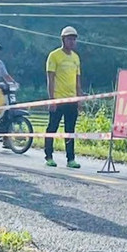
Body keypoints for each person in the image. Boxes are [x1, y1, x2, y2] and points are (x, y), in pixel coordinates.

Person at [44, 26, 82, 169]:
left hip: (71, 99)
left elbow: (78, 80)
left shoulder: (76, 58)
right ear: (63, 40)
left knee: (70, 131)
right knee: (52, 128)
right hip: (58, 99)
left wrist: (79, 99)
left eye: (74, 39)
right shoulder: (54, 56)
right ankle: (48, 156)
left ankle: (70, 158)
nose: (72, 42)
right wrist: (51, 99)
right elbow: (50, 79)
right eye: (69, 39)